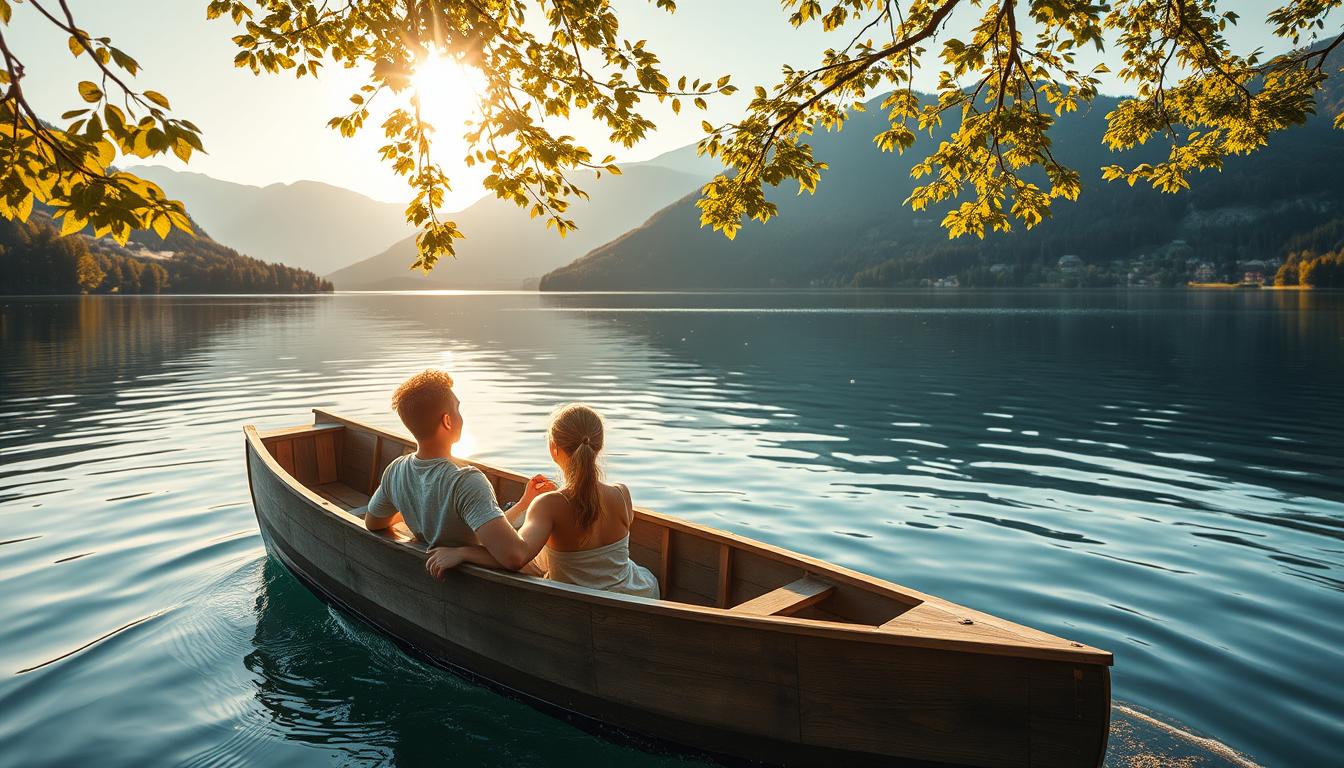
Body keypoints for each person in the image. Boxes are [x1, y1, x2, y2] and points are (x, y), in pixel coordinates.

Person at [425, 403, 660, 599]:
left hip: (579, 602)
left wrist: (463, 553)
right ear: (598, 446)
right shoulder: (621, 493)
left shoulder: (548, 505)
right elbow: (600, 522)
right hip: (636, 593)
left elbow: (516, 556)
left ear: (553, 448)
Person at [364, 369, 556, 555]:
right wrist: (544, 511)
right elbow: (515, 555)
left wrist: (523, 504)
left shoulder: (395, 471)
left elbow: (373, 522)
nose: (461, 416)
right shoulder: (466, 481)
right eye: (457, 408)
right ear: (447, 421)